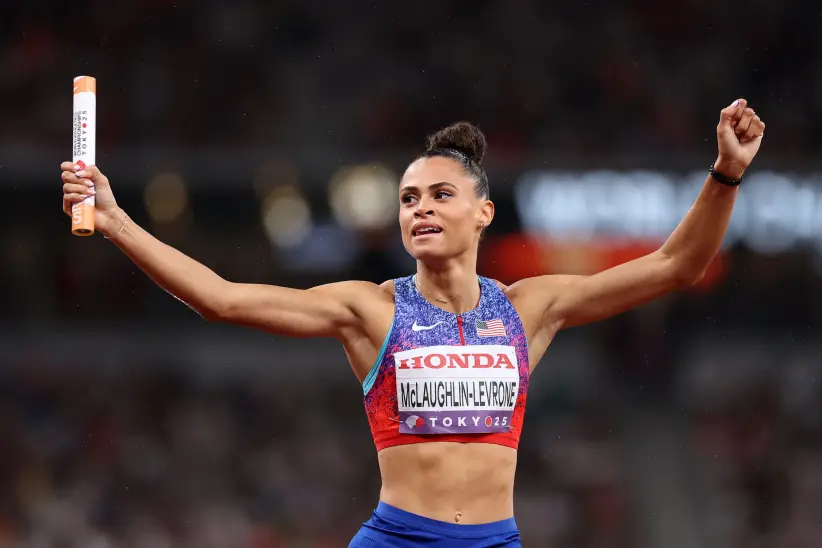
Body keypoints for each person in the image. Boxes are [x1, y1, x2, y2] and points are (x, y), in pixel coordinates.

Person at [61, 98, 765, 547]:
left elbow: (677, 266)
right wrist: (117, 221)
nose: (419, 207)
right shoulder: (371, 309)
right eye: (407, 198)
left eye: (439, 194)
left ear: (484, 213)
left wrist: (726, 174)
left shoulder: (529, 308)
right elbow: (222, 298)